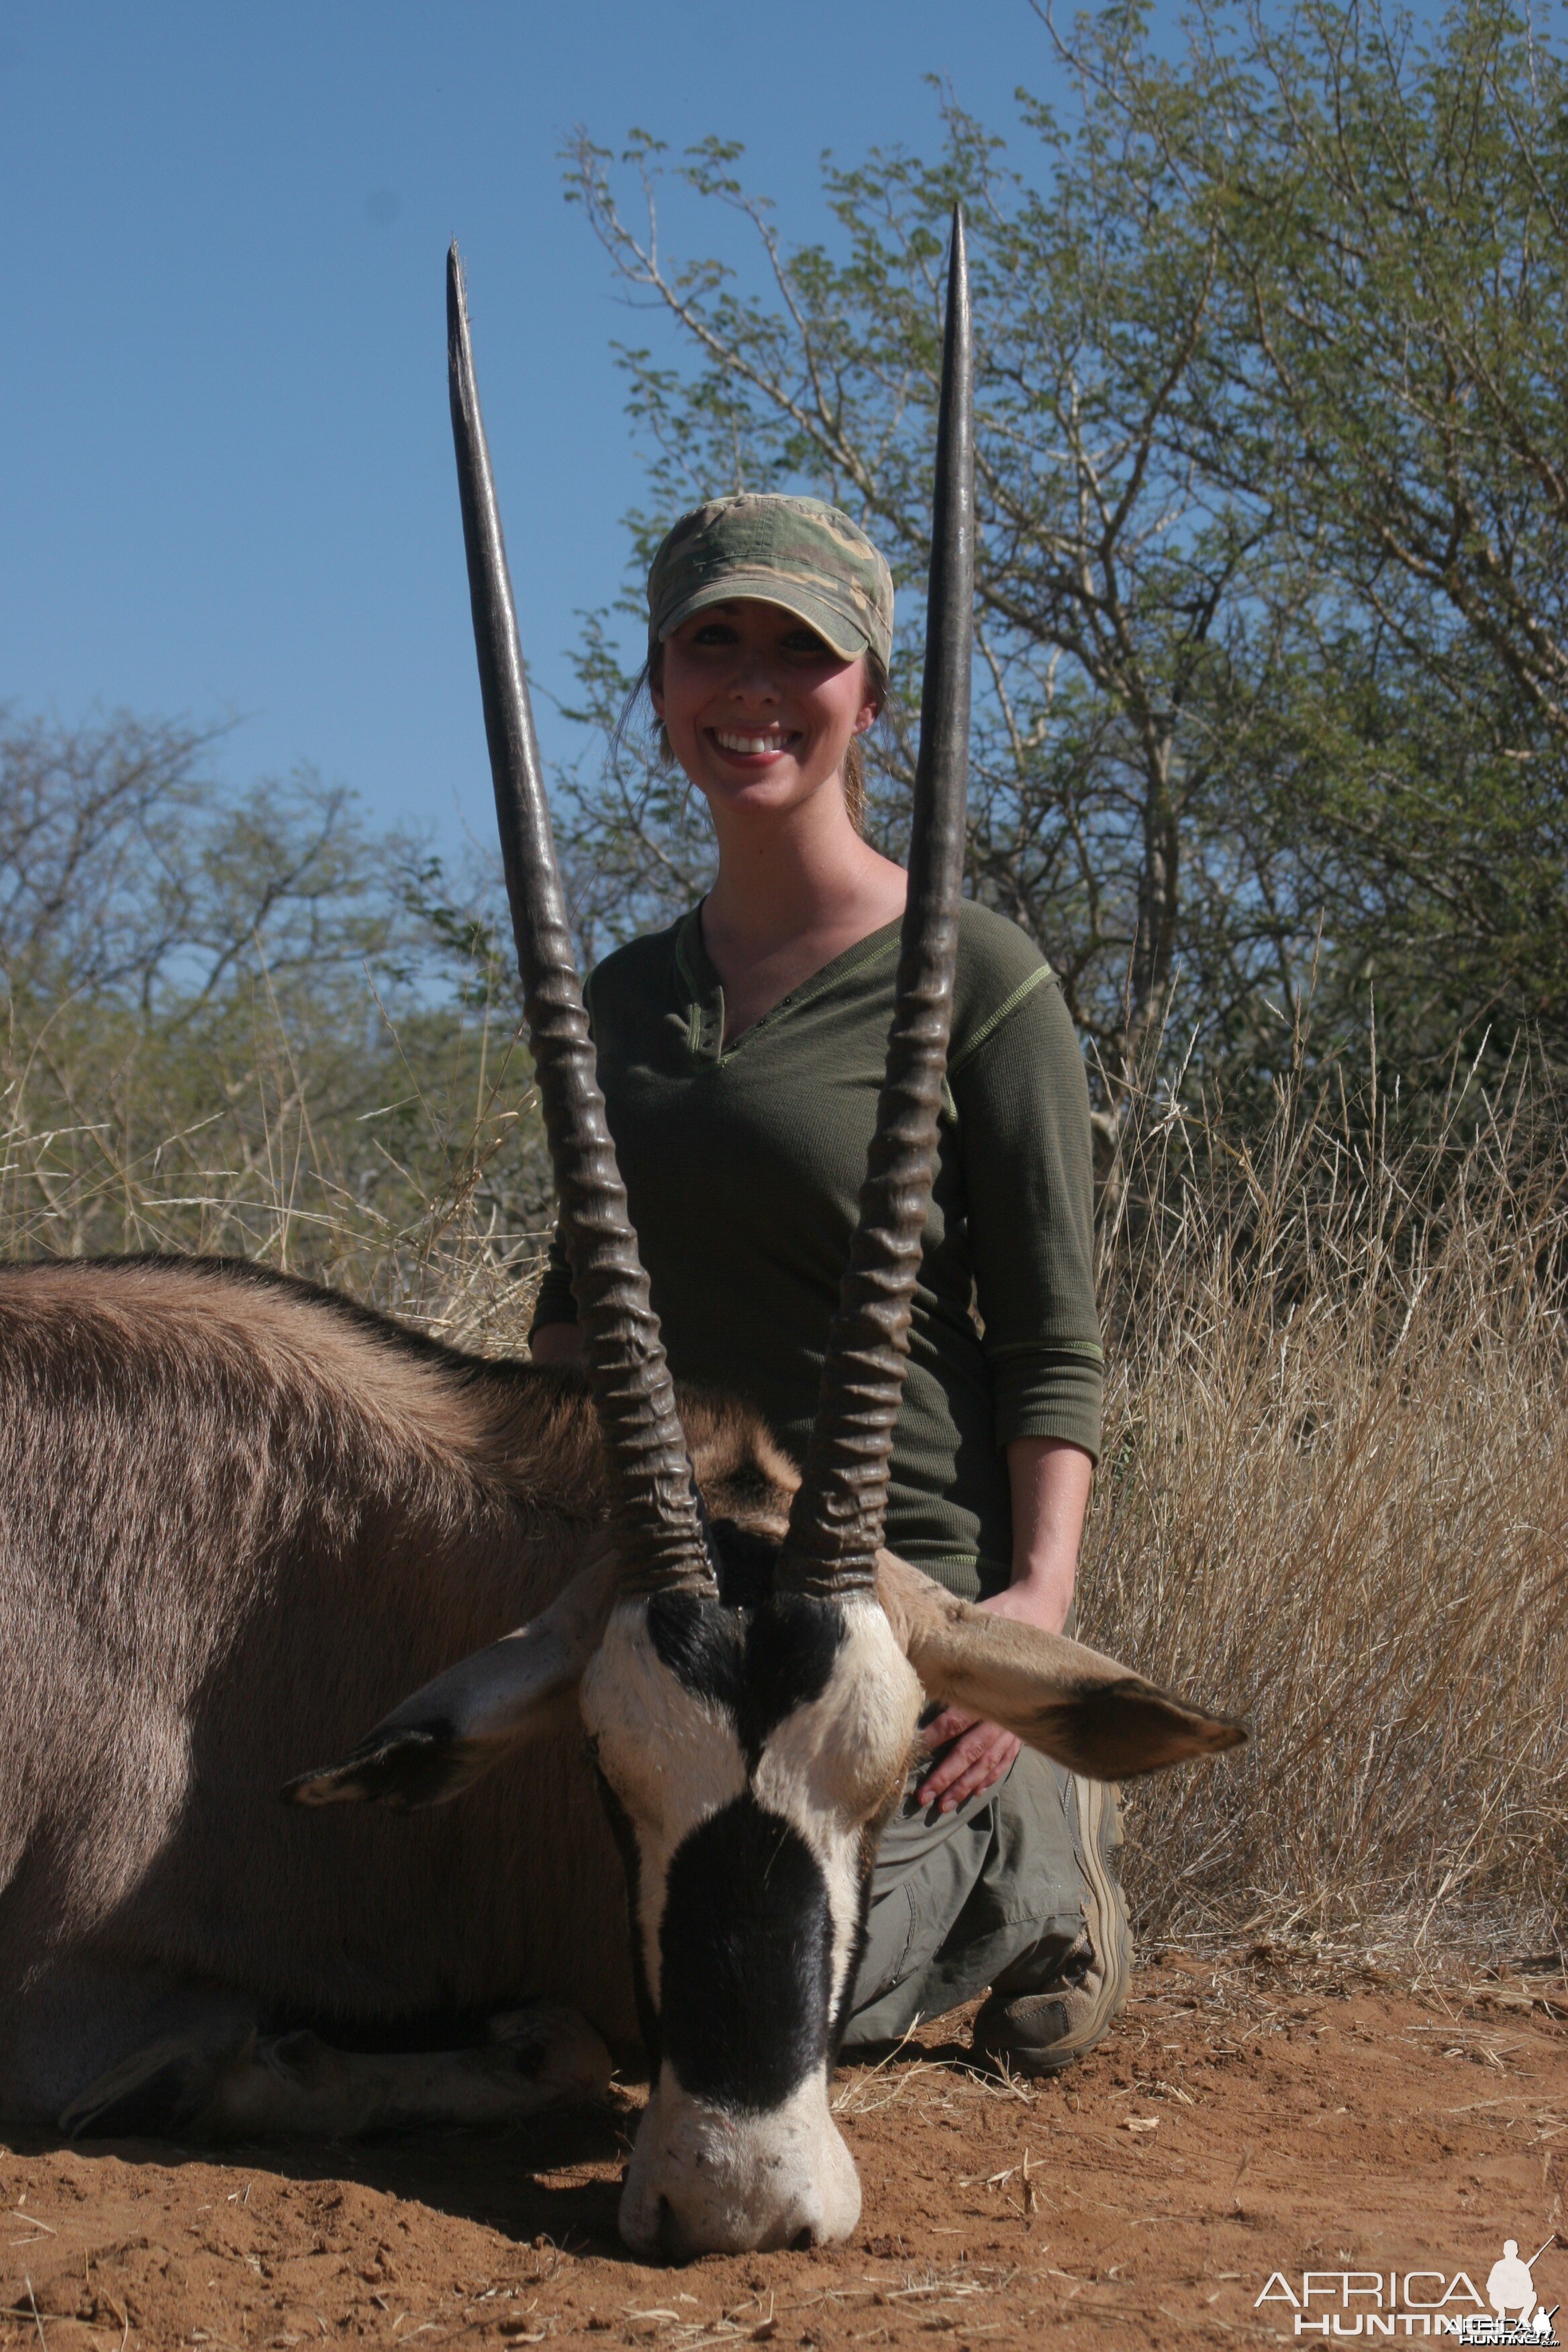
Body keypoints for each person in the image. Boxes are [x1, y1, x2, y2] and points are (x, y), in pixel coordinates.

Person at [530, 492, 1126, 2074]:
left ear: (870, 694)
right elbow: (564, 1329)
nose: (752, 688)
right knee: (547, 1962)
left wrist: (1024, 1625)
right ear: (656, 688)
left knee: (766, 2009)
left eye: (803, 650)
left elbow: (1053, 1343)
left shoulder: (979, 979)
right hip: (672, 1603)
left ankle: (1034, 1866)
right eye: (711, 643)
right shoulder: (618, 998)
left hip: (888, 1610)